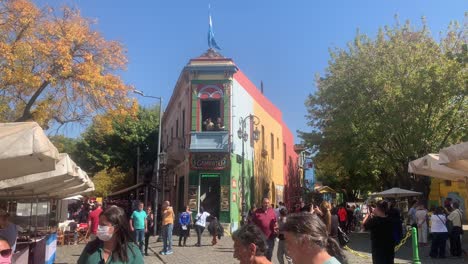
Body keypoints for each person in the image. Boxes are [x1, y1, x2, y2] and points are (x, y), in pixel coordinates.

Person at [78, 206, 143, 263]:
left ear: (116, 228)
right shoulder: (91, 247)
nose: (99, 228)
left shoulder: (132, 252)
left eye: (103, 225)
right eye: (99, 224)